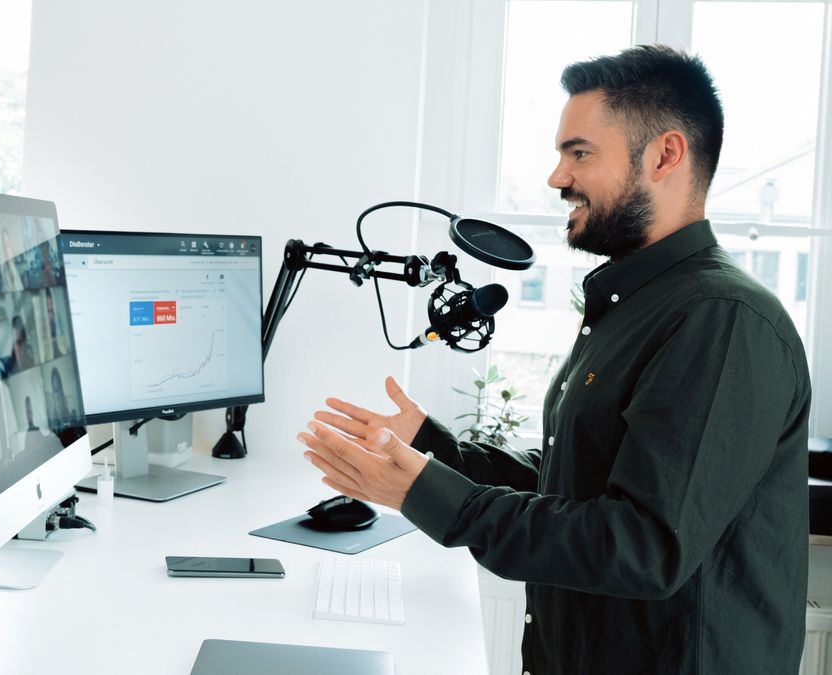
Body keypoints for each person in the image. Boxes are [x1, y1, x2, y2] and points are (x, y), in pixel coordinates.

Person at [297, 45, 810, 674]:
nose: (556, 177)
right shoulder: (635, 303)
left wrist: (427, 494)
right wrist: (433, 450)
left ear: (665, 155)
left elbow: (643, 545)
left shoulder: (721, 321)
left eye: (579, 153)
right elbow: (576, 475)